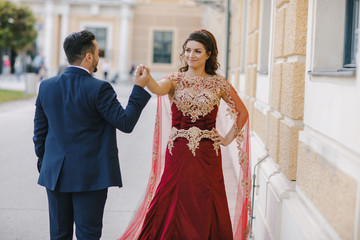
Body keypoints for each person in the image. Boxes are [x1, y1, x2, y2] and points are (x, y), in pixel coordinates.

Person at [119, 29, 251, 240]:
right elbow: (157, 89)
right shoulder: (175, 80)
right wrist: (147, 78)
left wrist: (226, 138)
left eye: (198, 51)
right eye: (188, 50)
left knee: (205, 199)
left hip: (208, 154)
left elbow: (243, 113)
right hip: (179, 151)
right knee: (174, 195)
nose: (191, 55)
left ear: (209, 54)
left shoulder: (219, 84)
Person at [33, 30, 151, 240]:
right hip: (91, 177)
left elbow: (39, 134)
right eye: (96, 53)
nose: (98, 57)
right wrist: (138, 88)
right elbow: (125, 122)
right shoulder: (100, 88)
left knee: (58, 235)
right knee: (88, 235)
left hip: (55, 175)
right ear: (89, 57)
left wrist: (45, 163)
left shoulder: (46, 86)